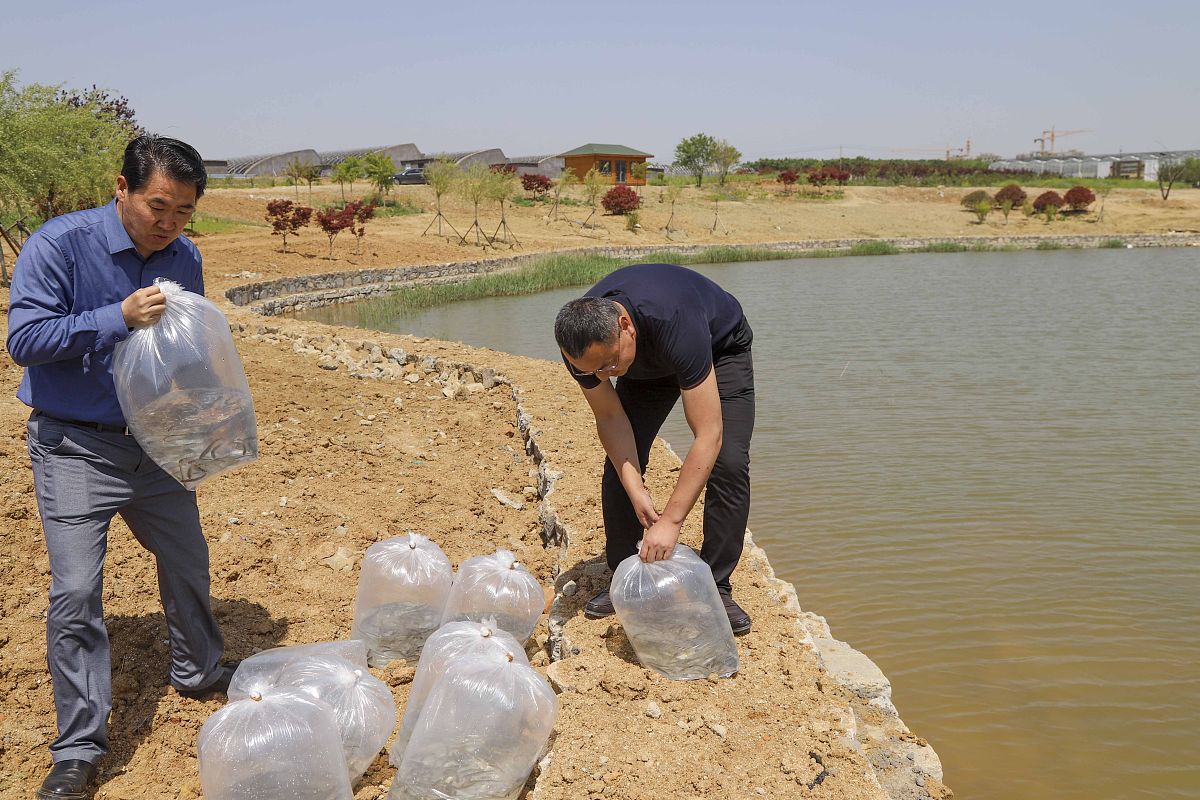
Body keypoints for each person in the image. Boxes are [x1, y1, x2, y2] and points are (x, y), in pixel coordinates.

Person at [7, 135, 238, 800]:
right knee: (77, 592)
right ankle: (78, 748)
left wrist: (209, 409)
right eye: (158, 206)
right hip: (76, 445)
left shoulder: (184, 258)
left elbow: (184, 350)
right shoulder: (59, 245)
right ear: (122, 188)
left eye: (184, 212)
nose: (169, 223)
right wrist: (117, 316)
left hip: (156, 441)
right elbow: (24, 340)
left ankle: (196, 670)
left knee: (189, 559)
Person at [554, 263, 755, 634]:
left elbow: (708, 433)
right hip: (645, 363)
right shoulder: (585, 350)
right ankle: (625, 575)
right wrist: (637, 490)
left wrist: (671, 521)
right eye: (593, 371)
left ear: (625, 326)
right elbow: (611, 419)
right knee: (621, 466)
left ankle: (717, 585)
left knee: (728, 462)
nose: (603, 376)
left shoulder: (673, 318)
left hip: (718, 345)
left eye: (609, 363)